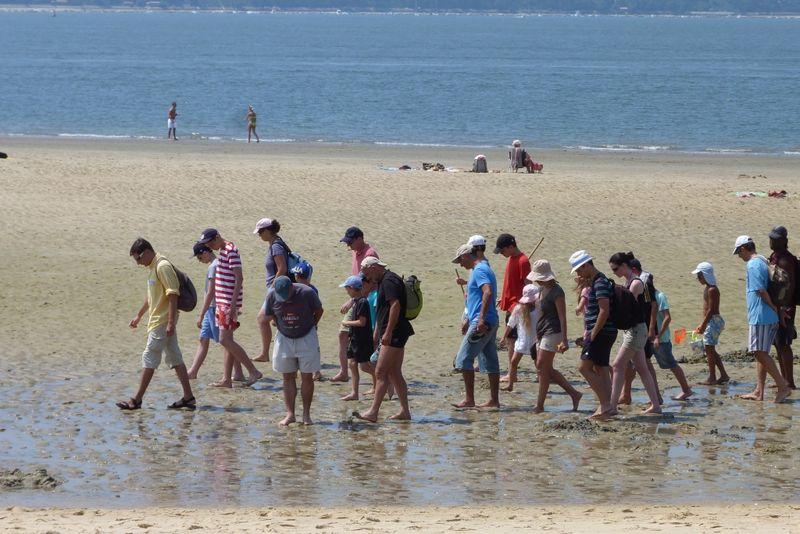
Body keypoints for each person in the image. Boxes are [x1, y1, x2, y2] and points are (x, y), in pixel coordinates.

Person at [117, 238, 194, 410]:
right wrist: (139, 315)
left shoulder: (162, 266)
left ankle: (136, 400)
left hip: (163, 321)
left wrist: (171, 323)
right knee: (175, 357)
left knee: (149, 357)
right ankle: (188, 397)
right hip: (159, 321)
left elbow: (173, 294)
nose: (138, 263)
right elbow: (151, 296)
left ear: (147, 252)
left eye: (138, 259)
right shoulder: (153, 268)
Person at [199, 228, 263, 387]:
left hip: (228, 303)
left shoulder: (231, 251)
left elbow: (239, 278)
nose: (210, 246)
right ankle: (227, 379)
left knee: (224, 340)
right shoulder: (223, 251)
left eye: (211, 242)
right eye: (208, 244)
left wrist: (233, 305)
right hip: (222, 302)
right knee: (227, 340)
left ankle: (253, 371)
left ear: (218, 237)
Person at [354, 257, 414, 422]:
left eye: (367, 273)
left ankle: (373, 412)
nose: (368, 278)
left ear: (373, 268)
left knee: (380, 371)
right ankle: (405, 411)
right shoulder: (387, 280)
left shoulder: (389, 281)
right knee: (394, 372)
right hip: (396, 331)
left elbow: (395, 306)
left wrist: (387, 332)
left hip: (394, 333)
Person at [734, 236, 792, 403]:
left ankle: (783, 386)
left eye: (739, 252)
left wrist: (774, 307)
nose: (739, 256)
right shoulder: (763, 260)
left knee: (757, 351)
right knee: (762, 352)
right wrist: (777, 310)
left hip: (761, 315)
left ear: (745, 249)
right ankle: (759, 391)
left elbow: (760, 290)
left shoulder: (753, 264)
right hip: (768, 315)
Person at [264, 276, 324, 426]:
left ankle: (306, 415)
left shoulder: (307, 292)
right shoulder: (272, 295)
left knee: (307, 377)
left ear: (292, 287)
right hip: (284, 338)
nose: (284, 299)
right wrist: (280, 325)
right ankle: (290, 414)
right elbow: (270, 314)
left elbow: (319, 310)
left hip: (306, 337)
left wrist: (312, 325)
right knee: (287, 376)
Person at [608, 252, 661, 414]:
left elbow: (626, 305)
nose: (614, 273)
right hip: (634, 329)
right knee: (642, 369)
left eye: (616, 269)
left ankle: (612, 407)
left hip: (636, 330)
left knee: (617, 365)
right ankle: (656, 406)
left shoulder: (636, 283)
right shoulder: (628, 282)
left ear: (625, 266)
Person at [451, 244, 501, 409]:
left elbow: (487, 292)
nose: (460, 264)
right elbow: (478, 295)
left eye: (460, 260)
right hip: (489, 319)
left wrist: (479, 319)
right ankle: (494, 400)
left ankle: (469, 399)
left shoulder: (479, 270)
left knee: (464, 359)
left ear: (466, 255)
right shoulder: (483, 268)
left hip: (483, 321)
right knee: (490, 359)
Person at [530, 260, 583, 413]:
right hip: (542, 332)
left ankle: (539, 405)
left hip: (553, 332)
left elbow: (562, 317)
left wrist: (565, 340)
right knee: (544, 369)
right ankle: (574, 394)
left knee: (541, 366)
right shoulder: (540, 289)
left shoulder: (557, 291)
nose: (537, 279)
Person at [186, 243, 243, 381]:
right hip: (211, 309)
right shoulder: (216, 264)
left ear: (205, 252)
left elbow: (210, 293)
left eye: (200, 258)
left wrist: (202, 313)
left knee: (226, 342)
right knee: (203, 339)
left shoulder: (213, 266)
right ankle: (193, 371)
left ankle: (239, 372)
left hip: (214, 308)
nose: (200, 261)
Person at [569, 250, 615, 420]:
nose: (579, 274)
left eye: (579, 270)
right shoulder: (597, 281)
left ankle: (605, 405)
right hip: (604, 331)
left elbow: (604, 310)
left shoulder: (599, 282)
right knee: (601, 368)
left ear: (587, 265)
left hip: (601, 332)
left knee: (584, 367)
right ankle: (608, 406)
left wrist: (592, 333)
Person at [334, 227, 380, 382]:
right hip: (357, 297)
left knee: (371, 338)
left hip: (366, 299)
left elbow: (363, 280)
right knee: (343, 334)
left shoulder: (369, 254)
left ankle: (379, 378)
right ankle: (344, 372)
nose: (349, 246)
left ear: (360, 239)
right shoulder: (355, 251)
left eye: (351, 242)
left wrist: (352, 300)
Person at [494, 234, 532, 385]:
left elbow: (527, 285)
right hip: (509, 304)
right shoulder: (511, 259)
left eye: (502, 250)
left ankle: (512, 373)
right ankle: (512, 372)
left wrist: (524, 304)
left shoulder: (523, 261)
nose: (501, 254)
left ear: (511, 246)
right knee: (512, 340)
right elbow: (511, 284)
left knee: (512, 340)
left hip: (517, 306)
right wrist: (503, 298)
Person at [253, 218, 290, 363]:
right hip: (279, 288)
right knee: (278, 322)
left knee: (262, 319)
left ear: (268, 230)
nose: (259, 235)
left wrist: (273, 288)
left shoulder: (276, 247)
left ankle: (265, 354)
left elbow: (282, 269)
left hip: (277, 289)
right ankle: (283, 351)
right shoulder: (277, 243)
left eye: (261, 232)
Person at [691, 262, 730, 385]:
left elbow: (712, 310)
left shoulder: (712, 289)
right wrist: (702, 324)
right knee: (710, 349)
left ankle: (712, 377)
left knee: (709, 348)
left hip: (714, 321)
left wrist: (703, 325)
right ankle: (723, 375)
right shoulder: (708, 288)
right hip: (710, 321)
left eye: (700, 276)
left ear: (706, 275)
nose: (698, 278)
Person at [768, 226, 797, 389]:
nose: (771, 241)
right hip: (776, 307)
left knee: (784, 344)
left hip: (784, 308)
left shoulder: (785, 260)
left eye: (775, 239)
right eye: (771, 238)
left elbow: (788, 287)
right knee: (777, 343)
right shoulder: (775, 256)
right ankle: (783, 379)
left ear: (784, 241)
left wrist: (782, 309)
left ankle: (789, 382)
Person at [339, 275, 376, 401]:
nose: (346, 291)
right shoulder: (356, 301)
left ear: (352, 288)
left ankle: (381, 382)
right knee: (352, 363)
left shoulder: (362, 302)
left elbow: (362, 322)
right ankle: (354, 393)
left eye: (347, 289)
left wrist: (346, 323)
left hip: (362, 339)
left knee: (365, 366)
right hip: (354, 338)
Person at [653, 286, 694, 400]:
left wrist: (658, 336)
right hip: (648, 338)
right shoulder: (644, 297)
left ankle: (686, 390)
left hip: (662, 339)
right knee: (637, 365)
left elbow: (668, 317)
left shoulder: (660, 296)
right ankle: (627, 394)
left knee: (672, 364)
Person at [500, 283, 540, 392]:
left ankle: (542, 384)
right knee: (513, 363)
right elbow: (510, 324)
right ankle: (510, 384)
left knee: (538, 365)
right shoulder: (518, 309)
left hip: (535, 341)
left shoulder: (539, 308)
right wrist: (504, 337)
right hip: (522, 340)